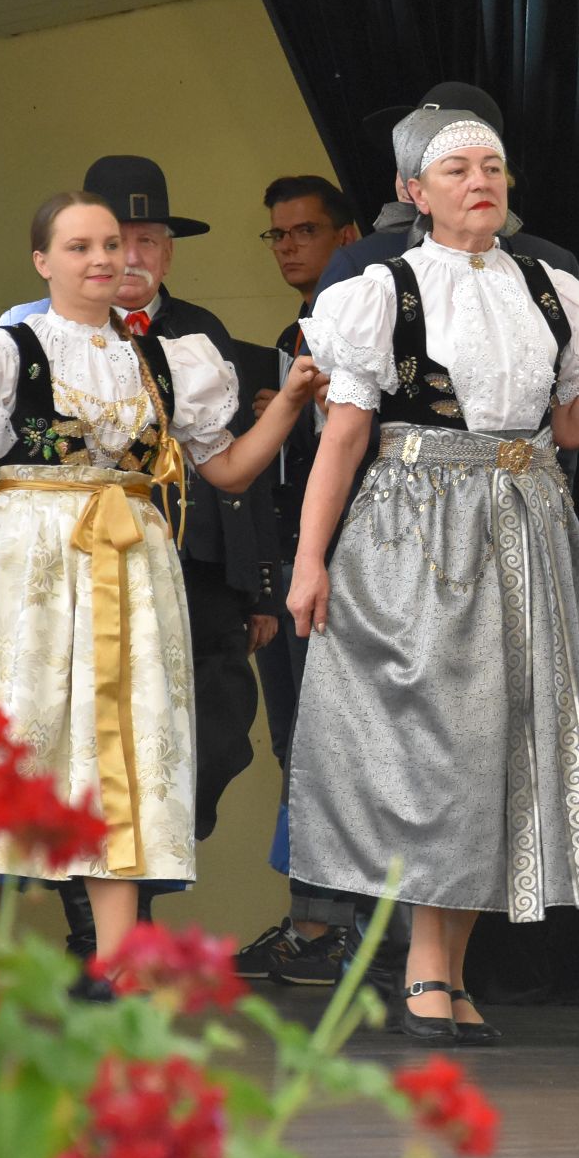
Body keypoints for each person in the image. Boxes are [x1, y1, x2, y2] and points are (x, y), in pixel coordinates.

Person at [283, 107, 579, 1047]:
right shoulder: (384, 291)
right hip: (418, 530)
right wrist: (311, 558)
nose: (481, 181)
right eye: (458, 170)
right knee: (439, 745)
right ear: (414, 192)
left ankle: (444, 970)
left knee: (507, 746)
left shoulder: (550, 291)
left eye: (493, 166)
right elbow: (344, 437)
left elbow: (571, 424)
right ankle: (424, 968)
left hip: (527, 525)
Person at [0, 192, 321, 958]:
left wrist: (286, 404)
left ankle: (120, 961)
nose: (103, 259)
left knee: (123, 753)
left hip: (130, 571)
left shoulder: (168, 361)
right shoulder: (3, 354)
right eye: (79, 246)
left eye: (112, 245)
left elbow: (229, 470)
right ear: (42, 261)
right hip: (23, 573)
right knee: (18, 748)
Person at [233, 175, 368, 986]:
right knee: (295, 742)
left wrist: (304, 415)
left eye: (304, 231)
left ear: (347, 236)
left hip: (348, 561)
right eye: (277, 234)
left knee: (337, 743)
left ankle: (339, 927)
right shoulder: (291, 332)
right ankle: (314, 920)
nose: (287, 246)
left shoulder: (372, 320)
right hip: (285, 558)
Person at [313, 82, 579, 303]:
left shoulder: (552, 266)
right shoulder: (361, 268)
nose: (406, 178)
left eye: (489, 168)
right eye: (405, 160)